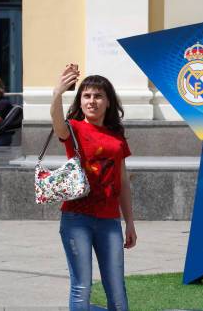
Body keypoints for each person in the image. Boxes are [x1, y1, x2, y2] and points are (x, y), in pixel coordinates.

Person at [51, 64, 137, 311]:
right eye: (86, 96)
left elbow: (122, 181)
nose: (92, 101)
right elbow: (57, 124)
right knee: (82, 287)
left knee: (117, 289)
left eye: (98, 96)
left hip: (110, 220)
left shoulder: (116, 135)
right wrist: (57, 93)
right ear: (80, 100)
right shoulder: (74, 128)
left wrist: (129, 221)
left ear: (108, 102)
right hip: (76, 218)